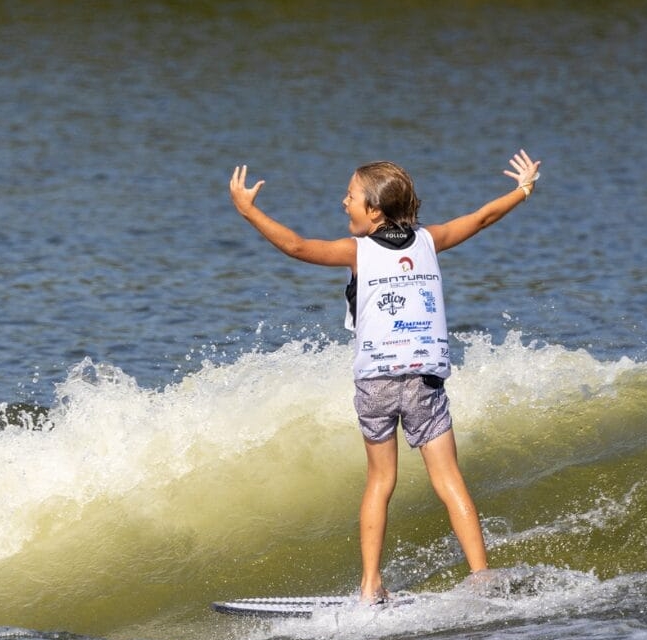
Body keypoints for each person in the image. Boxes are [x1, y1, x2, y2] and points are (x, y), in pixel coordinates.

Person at [227, 150, 542, 603]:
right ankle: (481, 574)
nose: (343, 202)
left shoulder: (355, 251)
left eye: (351, 196)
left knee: (380, 482)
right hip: (424, 382)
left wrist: (248, 211)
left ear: (374, 210)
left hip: (375, 382)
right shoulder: (430, 241)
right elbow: (483, 218)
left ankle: (371, 584)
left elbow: (295, 247)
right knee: (449, 477)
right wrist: (524, 189)